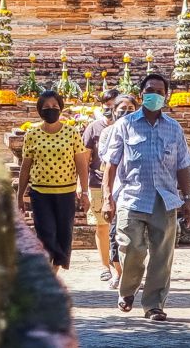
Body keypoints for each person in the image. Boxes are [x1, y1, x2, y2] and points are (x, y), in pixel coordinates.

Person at [102, 73, 190, 321]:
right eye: (150, 90)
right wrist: (106, 198)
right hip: (132, 197)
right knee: (132, 247)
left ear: (166, 95)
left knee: (162, 255)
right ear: (142, 94)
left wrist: (187, 199)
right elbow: (110, 164)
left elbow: (183, 165)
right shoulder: (125, 124)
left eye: (160, 91)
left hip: (164, 199)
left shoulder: (174, 128)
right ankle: (128, 289)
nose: (155, 95)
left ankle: (154, 305)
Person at [18, 90, 90, 273]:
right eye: (46, 108)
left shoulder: (71, 133)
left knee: (63, 235)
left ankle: (55, 271)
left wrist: (84, 190)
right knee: (46, 233)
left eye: (55, 107)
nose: (51, 110)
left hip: (66, 193)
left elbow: (81, 163)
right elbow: (25, 167)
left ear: (61, 109)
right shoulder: (32, 134)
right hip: (41, 193)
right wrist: (19, 195)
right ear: (40, 111)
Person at [97, 94, 137, 290]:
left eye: (131, 109)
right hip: (117, 190)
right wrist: (106, 197)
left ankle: (132, 274)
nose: (126, 113)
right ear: (114, 111)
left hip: (137, 190)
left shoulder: (142, 131)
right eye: (123, 109)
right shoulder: (108, 133)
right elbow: (107, 163)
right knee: (115, 234)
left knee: (136, 239)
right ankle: (119, 272)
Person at [81, 88, 121, 282]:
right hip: (98, 181)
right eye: (106, 107)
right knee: (102, 226)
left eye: (114, 106)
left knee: (122, 227)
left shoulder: (125, 126)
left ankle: (120, 265)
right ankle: (105, 266)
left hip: (122, 182)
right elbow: (86, 157)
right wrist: (82, 186)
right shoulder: (94, 128)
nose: (110, 110)